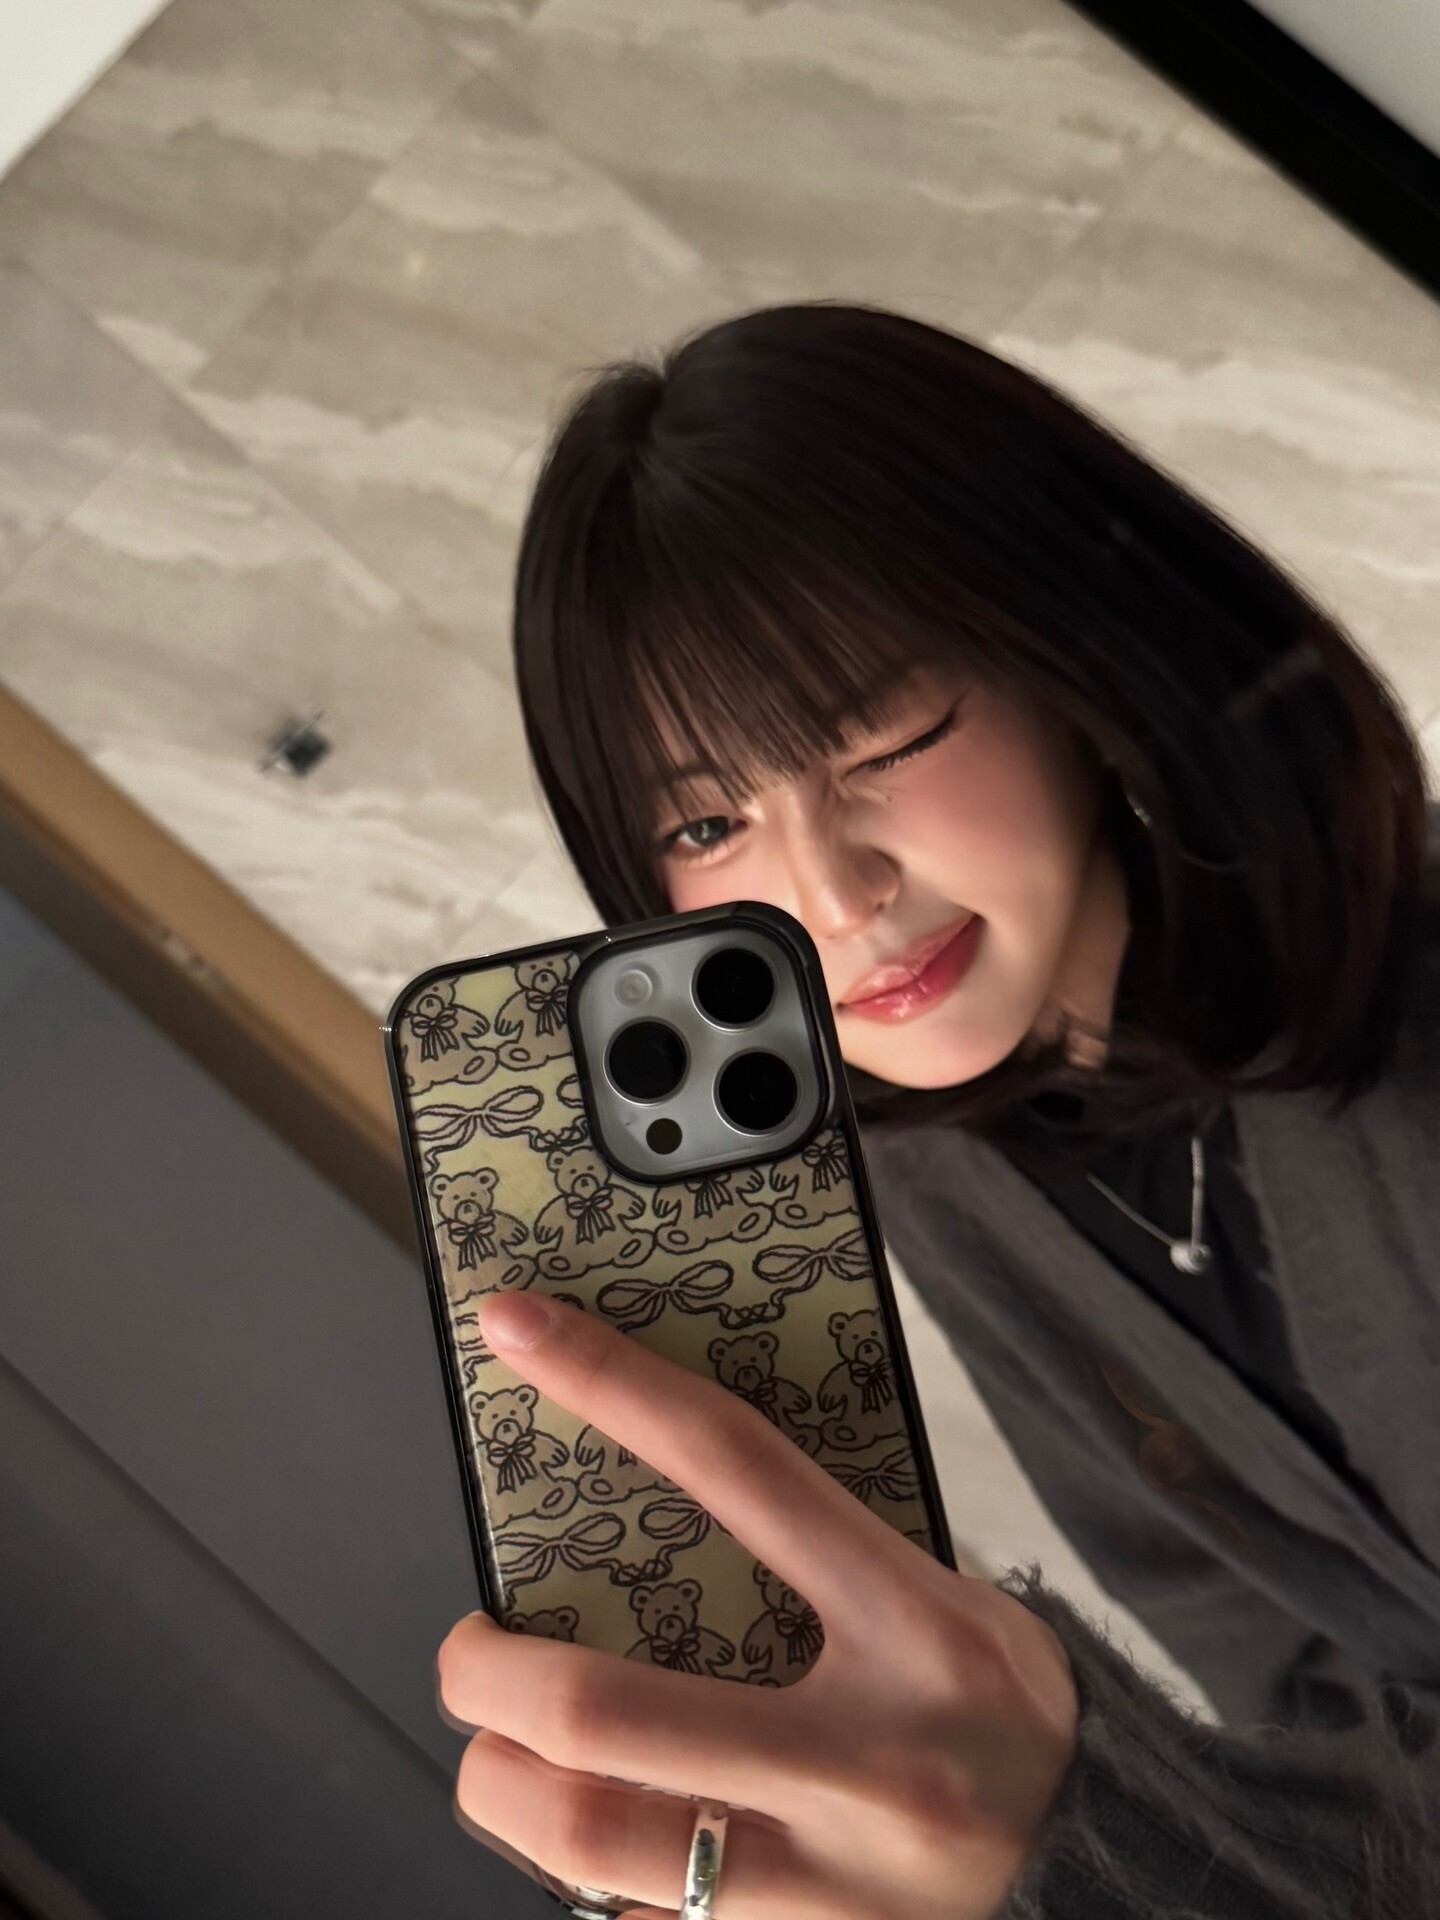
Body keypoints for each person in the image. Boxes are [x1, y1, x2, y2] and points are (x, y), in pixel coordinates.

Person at [435, 301, 1440, 1916]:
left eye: (879, 738)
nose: (834, 895)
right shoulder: (946, 1186)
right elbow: (1297, 1700)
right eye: (705, 827)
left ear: (1073, 662)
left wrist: (1092, 1832)